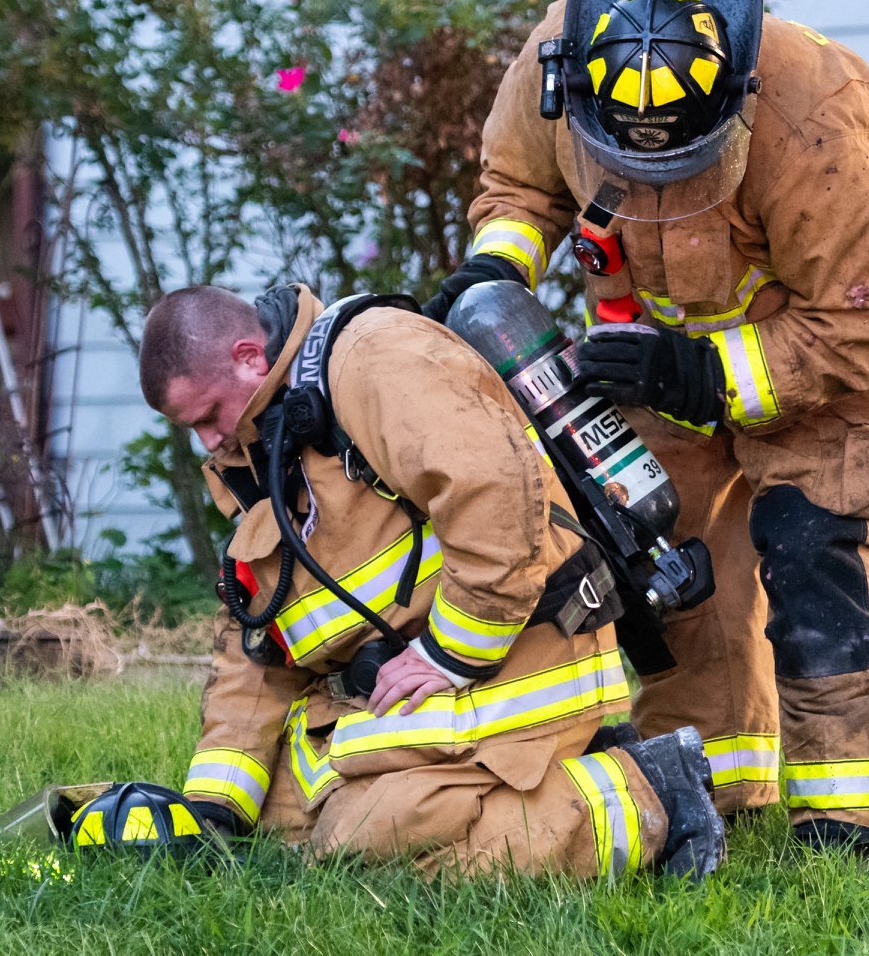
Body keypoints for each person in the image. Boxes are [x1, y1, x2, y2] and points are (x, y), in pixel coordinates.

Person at [425, 0, 869, 856]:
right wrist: (491, 277)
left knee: (820, 560)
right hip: (655, 351)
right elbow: (518, 188)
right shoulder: (557, 57)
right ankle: (716, 781)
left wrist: (704, 374)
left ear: (732, 95)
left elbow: (863, 321)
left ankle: (856, 824)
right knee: (668, 562)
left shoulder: (808, 115)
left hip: (827, 364)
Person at [139, 282, 726, 878]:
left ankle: (652, 792)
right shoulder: (258, 448)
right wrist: (214, 807)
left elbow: (497, 494)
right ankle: (572, 777)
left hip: (512, 661)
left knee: (362, 843)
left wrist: (448, 652)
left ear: (248, 356)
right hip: (400, 688)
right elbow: (255, 637)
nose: (209, 441)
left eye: (209, 415)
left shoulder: (375, 357)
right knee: (282, 832)